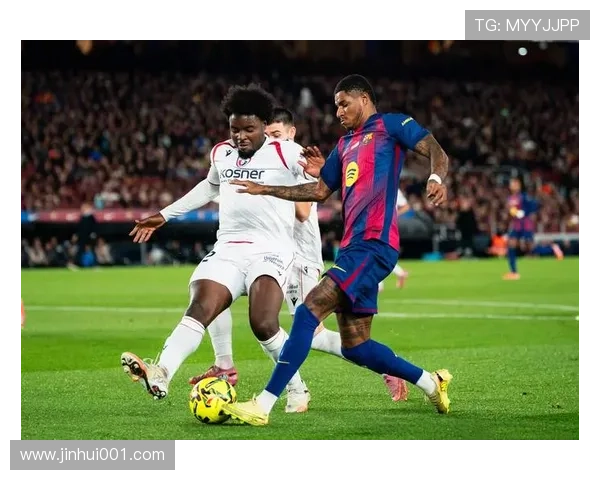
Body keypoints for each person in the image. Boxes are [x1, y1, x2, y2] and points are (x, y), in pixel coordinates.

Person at [222, 74, 453, 426]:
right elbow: (318, 191)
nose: (339, 112)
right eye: (336, 106)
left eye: (344, 104)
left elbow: (435, 149)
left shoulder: (391, 125)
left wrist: (435, 177)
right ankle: (430, 383)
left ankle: (264, 404)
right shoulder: (344, 145)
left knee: (307, 311)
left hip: (374, 244)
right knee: (356, 346)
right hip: (351, 248)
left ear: (364, 99)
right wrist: (266, 189)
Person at [190, 107, 409, 403]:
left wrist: (265, 190)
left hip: (300, 257)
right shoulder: (261, 161)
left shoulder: (297, 162)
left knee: (313, 334)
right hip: (267, 253)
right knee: (220, 291)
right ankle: (225, 365)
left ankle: (387, 367)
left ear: (291, 133)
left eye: (277, 135)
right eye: (267, 136)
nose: (271, 142)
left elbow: (304, 212)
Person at [119, 84, 311, 411]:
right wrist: (164, 215)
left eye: (248, 129)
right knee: (200, 306)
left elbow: (321, 184)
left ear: (265, 125)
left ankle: (297, 388)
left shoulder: (287, 152)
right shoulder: (222, 152)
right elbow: (209, 187)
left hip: (272, 249)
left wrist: (318, 175)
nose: (240, 137)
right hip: (229, 248)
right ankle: (161, 371)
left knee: (263, 324)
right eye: (235, 129)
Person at [503, 176, 562, 280]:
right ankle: (514, 272)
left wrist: (523, 213)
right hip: (516, 225)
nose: (512, 186)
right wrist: (511, 213)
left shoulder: (523, 197)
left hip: (525, 224)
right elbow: (511, 211)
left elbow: (534, 206)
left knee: (531, 248)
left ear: (519, 186)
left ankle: (552, 249)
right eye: (511, 184)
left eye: (515, 184)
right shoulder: (510, 198)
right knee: (511, 245)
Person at [378, 186, 410, 292]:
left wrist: (393, 215)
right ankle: (399, 273)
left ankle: (379, 283)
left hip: (383, 224)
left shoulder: (393, 187)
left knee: (376, 251)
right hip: (379, 223)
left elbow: (406, 207)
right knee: (380, 252)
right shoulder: (378, 185)